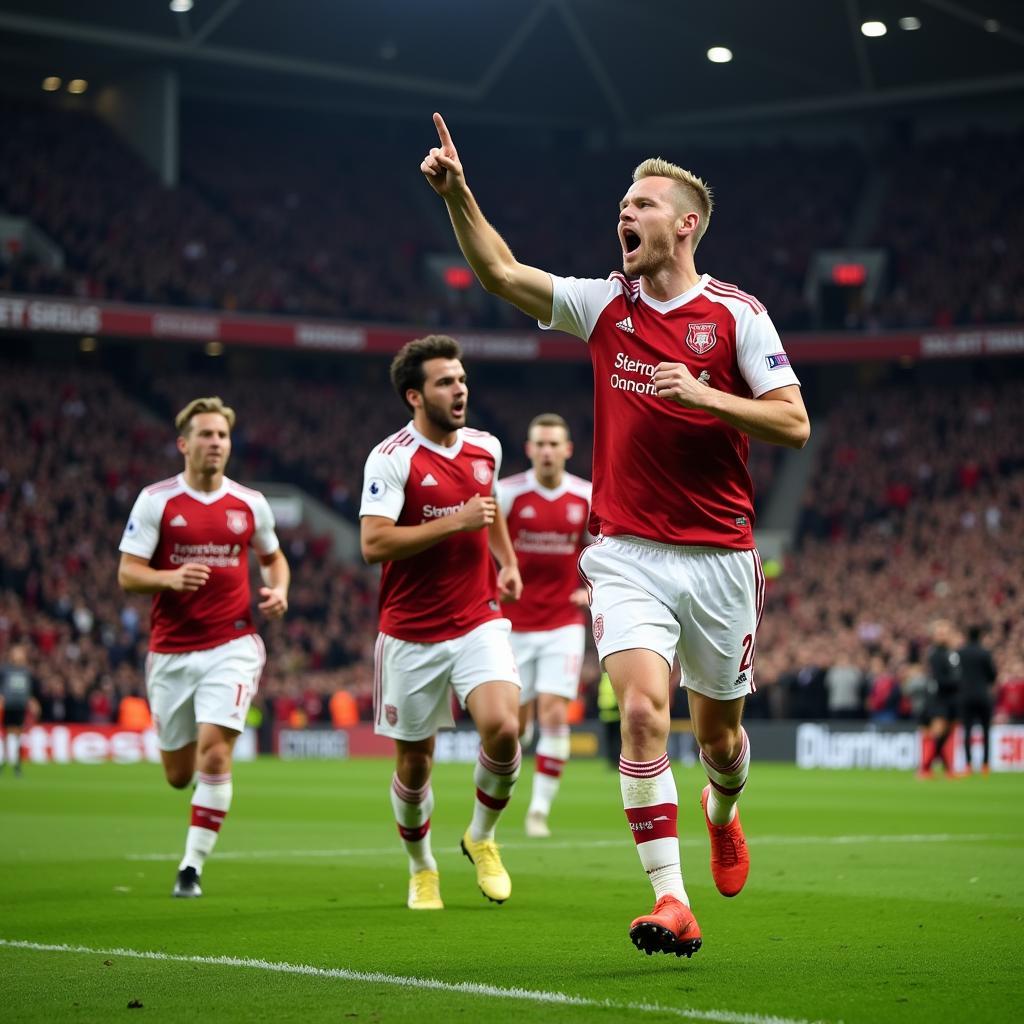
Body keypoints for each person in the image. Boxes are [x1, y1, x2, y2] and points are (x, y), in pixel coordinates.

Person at [421, 114, 810, 957]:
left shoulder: (736, 316)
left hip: (721, 558)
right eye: (620, 204)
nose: (623, 215)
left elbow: (794, 424)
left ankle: (723, 812)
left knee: (721, 741)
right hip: (628, 553)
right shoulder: (604, 305)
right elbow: (497, 271)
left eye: (640, 204)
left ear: (685, 223)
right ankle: (672, 901)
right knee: (639, 713)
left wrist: (709, 399)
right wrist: (459, 195)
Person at [360, 334, 523, 911]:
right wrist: (454, 523)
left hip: (478, 618)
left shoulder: (486, 447)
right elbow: (374, 542)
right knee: (415, 762)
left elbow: (490, 503)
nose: (460, 390)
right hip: (409, 632)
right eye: (445, 382)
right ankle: (421, 865)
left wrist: (505, 560)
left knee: (504, 727)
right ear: (414, 395)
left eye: (461, 379)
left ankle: (481, 835)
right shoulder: (391, 458)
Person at [118, 396, 289, 898]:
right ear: (184, 443)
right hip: (170, 652)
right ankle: (203, 798)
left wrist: (278, 590)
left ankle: (190, 867)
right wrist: (170, 578)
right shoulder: (157, 501)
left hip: (232, 644)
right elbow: (127, 573)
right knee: (177, 774)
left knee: (216, 755)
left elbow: (274, 559)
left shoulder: (249, 503)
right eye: (206, 435)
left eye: (223, 435)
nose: (216, 443)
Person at [497, 413, 591, 838]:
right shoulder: (508, 494)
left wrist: (593, 591)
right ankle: (519, 756)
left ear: (567, 450)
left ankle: (538, 810)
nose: (547, 451)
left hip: (562, 623)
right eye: (541, 444)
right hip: (512, 623)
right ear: (529, 449)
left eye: (555, 444)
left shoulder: (585, 497)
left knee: (555, 712)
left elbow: (606, 551)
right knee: (514, 725)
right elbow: (484, 547)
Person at [919, 619, 962, 778]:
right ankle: (925, 768)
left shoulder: (952, 653)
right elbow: (939, 678)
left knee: (947, 734)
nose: (943, 635)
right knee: (938, 732)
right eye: (940, 632)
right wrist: (959, 681)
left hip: (952, 697)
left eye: (946, 631)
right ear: (934, 636)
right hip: (940, 698)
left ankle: (946, 769)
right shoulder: (935, 654)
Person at [957, 625, 997, 774]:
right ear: (980, 636)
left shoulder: (960, 653)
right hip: (982, 695)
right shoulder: (985, 653)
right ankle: (985, 764)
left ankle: (968, 764)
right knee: (986, 730)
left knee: (967, 730)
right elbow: (993, 675)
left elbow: (955, 673)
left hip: (965, 696)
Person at [0, 644, 39, 777]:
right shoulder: (5, 670)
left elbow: (28, 689)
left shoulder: (26, 672)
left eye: (20, 653)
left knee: (17, 734)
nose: (18, 656)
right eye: (16, 653)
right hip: (8, 705)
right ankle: (4, 759)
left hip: (20, 706)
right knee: (6, 733)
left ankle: (16, 763)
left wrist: (31, 700)